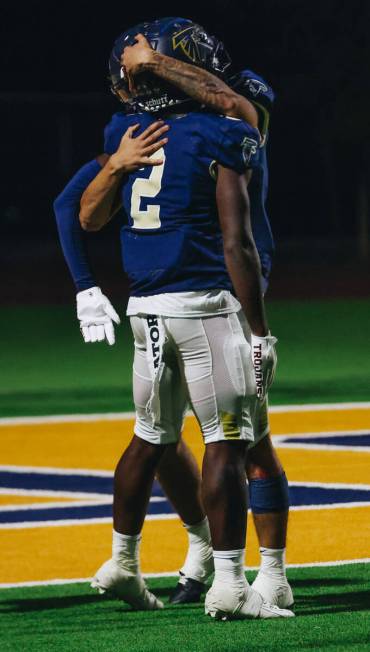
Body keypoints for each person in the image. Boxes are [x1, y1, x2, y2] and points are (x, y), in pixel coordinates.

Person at [54, 18, 292, 611]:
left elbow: (235, 101)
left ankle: (192, 560)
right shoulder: (174, 132)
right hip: (220, 297)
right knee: (235, 441)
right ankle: (242, 575)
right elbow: (78, 208)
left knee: (161, 437)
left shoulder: (230, 100)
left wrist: (151, 67)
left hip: (155, 302)